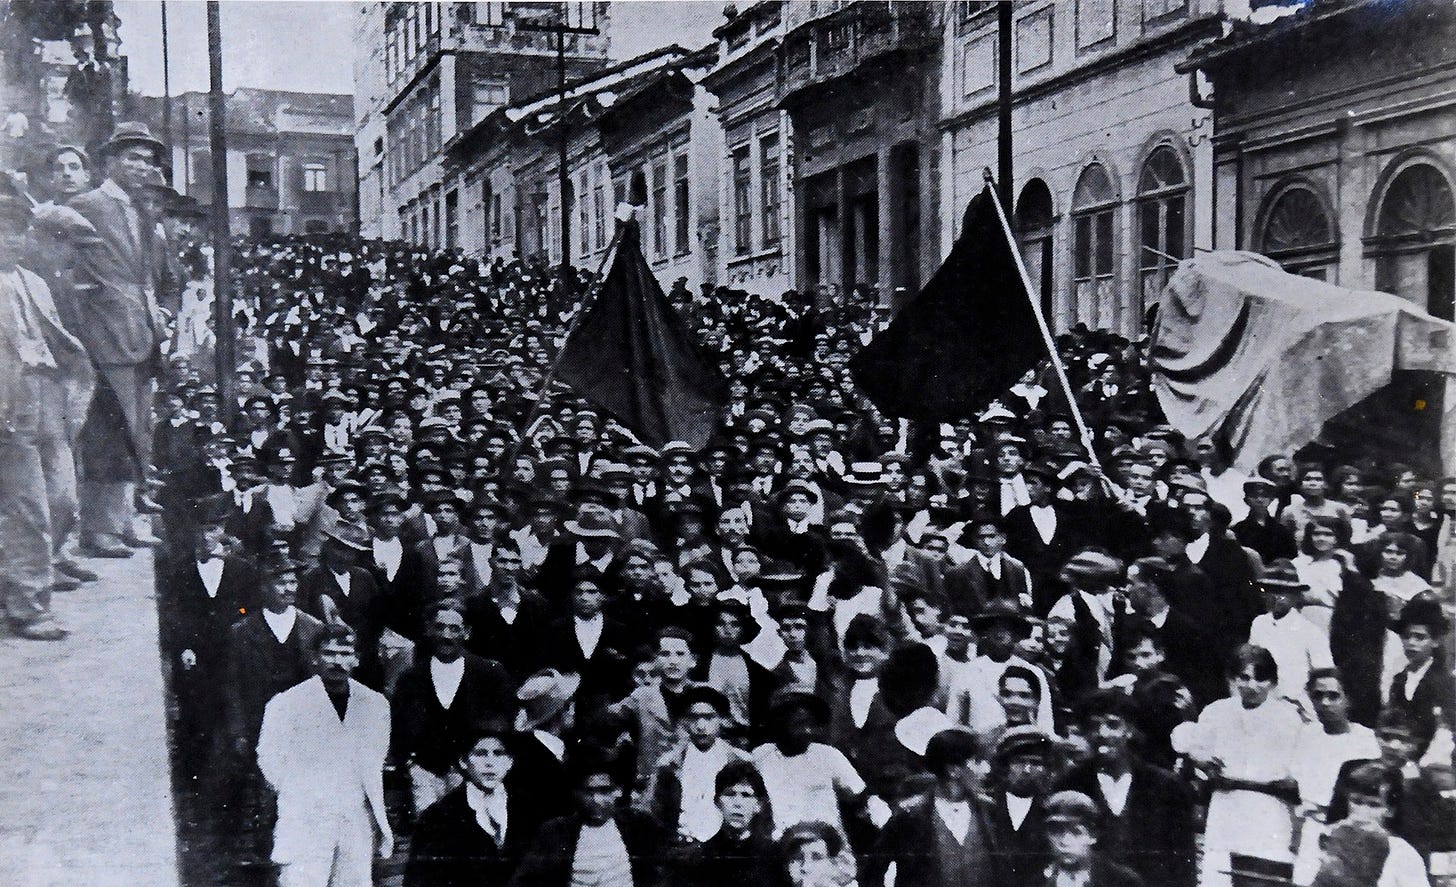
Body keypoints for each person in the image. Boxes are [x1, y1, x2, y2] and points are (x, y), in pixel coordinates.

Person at [69, 121, 169, 557]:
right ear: (110, 161)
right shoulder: (86, 204)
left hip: (142, 332)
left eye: (147, 160)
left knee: (138, 431)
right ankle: (100, 530)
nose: (141, 167)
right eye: (133, 157)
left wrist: (156, 316)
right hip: (105, 333)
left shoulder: (138, 210)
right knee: (110, 432)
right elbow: (64, 266)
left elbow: (147, 274)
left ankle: (124, 521)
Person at [0, 193, 94, 639]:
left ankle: (22, 579)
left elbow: (60, 341)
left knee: (62, 499)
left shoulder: (34, 283)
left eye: (16, 231)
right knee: (28, 507)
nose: (9, 240)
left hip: (49, 397)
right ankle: (29, 607)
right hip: (8, 405)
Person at [256, 625, 393, 887]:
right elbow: (269, 757)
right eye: (329, 653)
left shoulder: (374, 704)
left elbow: (376, 755)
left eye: (345, 653)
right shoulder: (286, 704)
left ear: (356, 658)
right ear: (315, 658)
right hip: (306, 815)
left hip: (355, 816)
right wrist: (302, 792)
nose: (338, 661)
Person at [1172, 644, 1304, 887]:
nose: (1252, 686)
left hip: (1269, 810)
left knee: (1263, 876)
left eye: (1260, 678)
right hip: (1227, 806)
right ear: (1233, 679)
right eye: (1244, 678)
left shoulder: (1288, 717)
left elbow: (1297, 771)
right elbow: (1194, 747)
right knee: (1220, 876)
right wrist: (1203, 762)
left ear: (1273, 682)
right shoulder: (1217, 712)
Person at [1054, 690, 1198, 887]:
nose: (1103, 734)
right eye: (1094, 726)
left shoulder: (1165, 786)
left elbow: (1183, 862)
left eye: (1113, 725)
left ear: (1129, 730)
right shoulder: (1070, 785)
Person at [392, 599, 517, 815]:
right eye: (439, 627)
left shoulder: (490, 673)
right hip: (426, 774)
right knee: (429, 833)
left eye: (454, 628)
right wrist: (412, 765)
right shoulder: (411, 678)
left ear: (467, 632)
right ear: (429, 630)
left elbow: (506, 722)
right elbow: (398, 726)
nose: (446, 635)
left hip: (474, 774)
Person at [405, 718, 545, 887]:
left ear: (510, 762)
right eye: (480, 753)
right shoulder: (439, 816)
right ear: (463, 762)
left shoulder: (528, 810)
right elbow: (419, 879)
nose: (490, 763)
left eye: (499, 753)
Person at [864, 727, 1002, 887]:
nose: (986, 769)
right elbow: (873, 872)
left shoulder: (990, 810)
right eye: (977, 762)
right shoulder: (910, 815)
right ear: (954, 770)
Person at [510, 746, 664, 887]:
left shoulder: (640, 825)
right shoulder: (555, 832)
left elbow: (662, 871)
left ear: (618, 790)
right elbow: (524, 880)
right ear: (575, 792)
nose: (596, 800)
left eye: (605, 791)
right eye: (588, 792)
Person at [685, 759, 778, 887]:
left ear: (758, 805)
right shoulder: (701, 857)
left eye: (746, 795)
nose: (737, 803)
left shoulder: (774, 857)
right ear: (717, 801)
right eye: (730, 794)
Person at [1034, 791, 1146, 887]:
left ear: (1093, 835)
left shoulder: (1122, 881)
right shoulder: (1035, 881)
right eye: (1056, 832)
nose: (1065, 841)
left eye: (1076, 832)